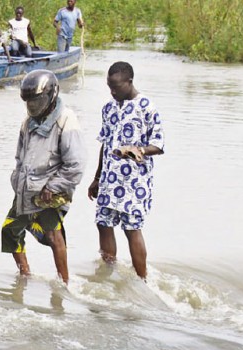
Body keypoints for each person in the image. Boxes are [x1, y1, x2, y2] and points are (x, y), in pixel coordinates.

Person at [2, 70, 85, 284]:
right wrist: (17, 181)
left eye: (36, 100)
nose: (32, 106)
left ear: (51, 95)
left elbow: (75, 165)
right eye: (29, 101)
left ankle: (63, 283)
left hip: (50, 192)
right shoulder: (27, 123)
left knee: (53, 235)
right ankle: (24, 275)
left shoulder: (66, 120)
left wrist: (53, 187)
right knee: (10, 230)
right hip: (26, 188)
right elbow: (20, 157)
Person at [87, 61, 165, 280]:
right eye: (109, 87)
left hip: (134, 183)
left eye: (117, 87)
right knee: (103, 224)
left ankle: (142, 279)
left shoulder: (146, 107)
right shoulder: (109, 108)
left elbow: (158, 145)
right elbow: (105, 143)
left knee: (131, 229)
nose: (112, 92)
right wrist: (96, 178)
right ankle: (108, 273)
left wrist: (137, 149)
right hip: (109, 180)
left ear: (129, 82)